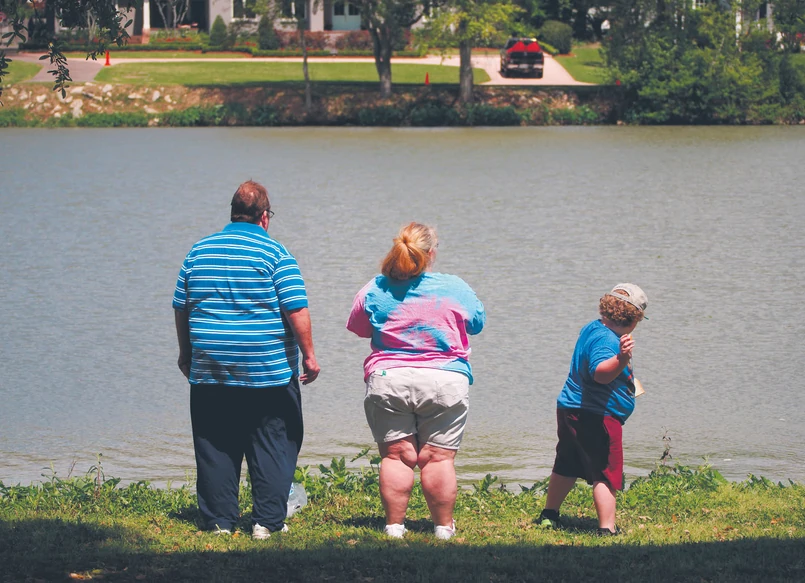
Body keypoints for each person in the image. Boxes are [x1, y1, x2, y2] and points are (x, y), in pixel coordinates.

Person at [173, 180, 320, 540]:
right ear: (265, 217)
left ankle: (219, 522)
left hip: (211, 367)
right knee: (274, 441)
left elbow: (181, 306)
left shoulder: (198, 252)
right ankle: (266, 522)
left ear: (232, 213)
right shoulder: (276, 254)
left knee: (215, 444)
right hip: (267, 371)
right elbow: (296, 309)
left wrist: (186, 352)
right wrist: (310, 356)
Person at [346, 222, 485, 540]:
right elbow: (477, 323)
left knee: (396, 456)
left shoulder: (375, 287)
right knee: (438, 458)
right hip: (444, 379)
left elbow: (359, 327)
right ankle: (443, 528)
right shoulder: (455, 287)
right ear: (431, 253)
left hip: (389, 378)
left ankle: (395, 527)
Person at [537, 283, 648, 536]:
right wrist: (622, 359)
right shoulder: (608, 340)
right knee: (605, 472)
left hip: (571, 408)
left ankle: (549, 514)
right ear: (634, 319)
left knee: (566, 464)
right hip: (597, 415)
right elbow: (599, 374)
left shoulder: (593, 328)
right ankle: (606, 528)